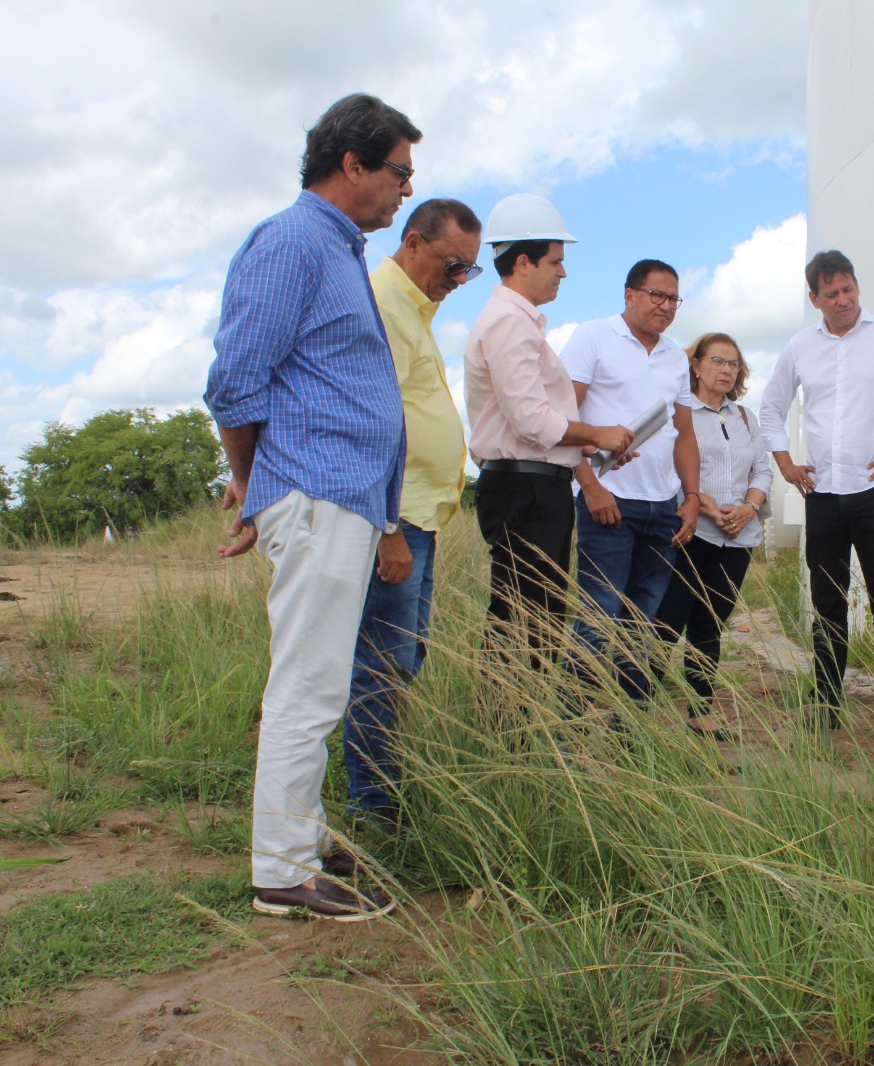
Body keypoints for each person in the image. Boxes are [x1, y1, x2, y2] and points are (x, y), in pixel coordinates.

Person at [203, 93, 421, 921]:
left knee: (319, 679)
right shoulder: (293, 241)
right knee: (309, 684)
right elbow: (234, 379)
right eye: (399, 172)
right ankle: (283, 872)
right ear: (353, 164)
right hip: (318, 495)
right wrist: (258, 483)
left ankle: (303, 832)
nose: (405, 190)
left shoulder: (334, 249)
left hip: (337, 497)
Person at [343, 198, 482, 822]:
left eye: (469, 272)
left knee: (402, 660)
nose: (457, 282)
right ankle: (376, 808)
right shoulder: (383, 302)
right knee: (382, 663)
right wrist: (389, 527)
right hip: (396, 521)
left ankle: (383, 793)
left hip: (420, 519)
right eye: (454, 266)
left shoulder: (416, 309)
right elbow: (374, 423)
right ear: (414, 242)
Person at [758, 251, 874, 726]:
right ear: (815, 298)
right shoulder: (800, 347)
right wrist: (786, 463)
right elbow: (771, 407)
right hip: (822, 497)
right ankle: (826, 706)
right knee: (827, 602)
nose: (843, 300)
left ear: (858, 287)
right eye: (831, 293)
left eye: (849, 289)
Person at [463, 194, 633, 665]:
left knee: (535, 616)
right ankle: (514, 733)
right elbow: (531, 419)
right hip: (525, 488)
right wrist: (598, 435)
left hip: (533, 486)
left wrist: (595, 449)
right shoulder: (508, 325)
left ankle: (518, 731)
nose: (563, 272)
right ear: (523, 262)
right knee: (528, 620)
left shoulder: (518, 324)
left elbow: (534, 425)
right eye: (556, 261)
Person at [560, 260, 701, 704]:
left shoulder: (676, 357)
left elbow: (684, 434)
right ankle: (572, 731)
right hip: (610, 500)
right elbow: (565, 418)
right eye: (656, 295)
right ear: (629, 294)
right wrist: (590, 486)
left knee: (643, 623)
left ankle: (629, 738)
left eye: (673, 298)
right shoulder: (593, 336)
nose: (665, 306)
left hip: (663, 506)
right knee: (598, 616)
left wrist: (692, 497)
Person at [653, 333, 771, 737]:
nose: (726, 369)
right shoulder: (679, 412)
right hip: (692, 531)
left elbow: (763, 469)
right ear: (696, 365)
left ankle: (700, 711)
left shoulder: (745, 418)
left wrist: (749, 507)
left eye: (733, 363)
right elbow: (669, 465)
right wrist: (706, 506)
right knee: (667, 621)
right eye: (717, 361)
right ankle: (636, 708)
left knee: (710, 623)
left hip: (738, 537)